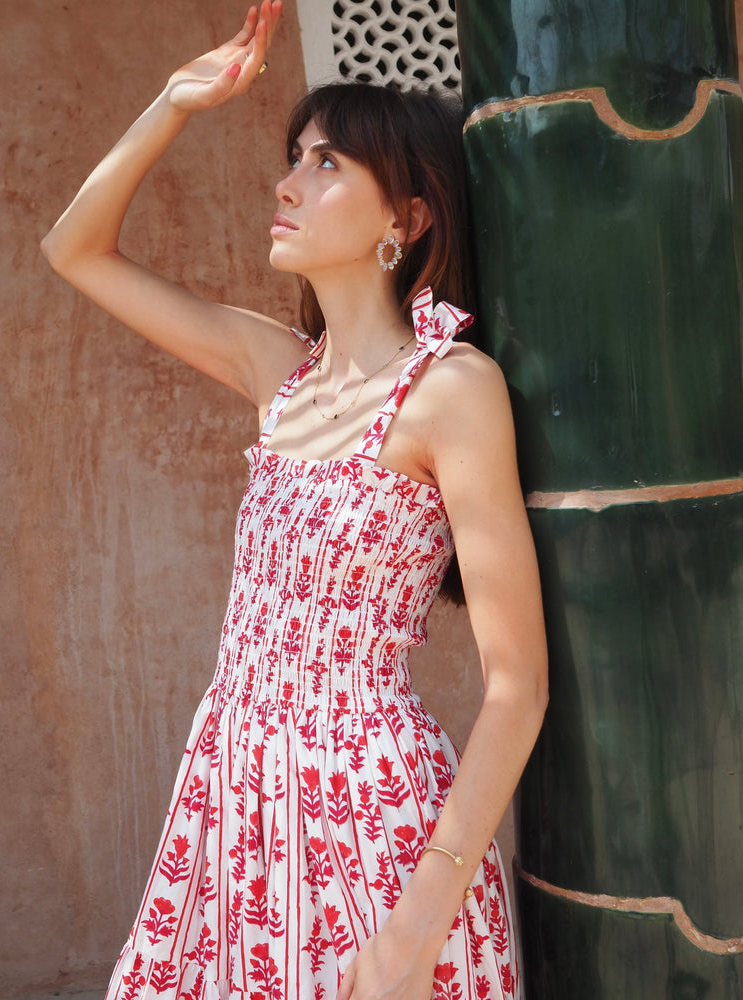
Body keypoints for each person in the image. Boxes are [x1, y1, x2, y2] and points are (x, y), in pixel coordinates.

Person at [40, 3, 548, 999]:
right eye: (294, 157)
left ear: (406, 220)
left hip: (373, 830)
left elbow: (516, 686)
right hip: (231, 810)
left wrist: (412, 935)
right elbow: (73, 250)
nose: (287, 184)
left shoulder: (451, 390)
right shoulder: (279, 369)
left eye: (327, 165)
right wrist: (173, 102)